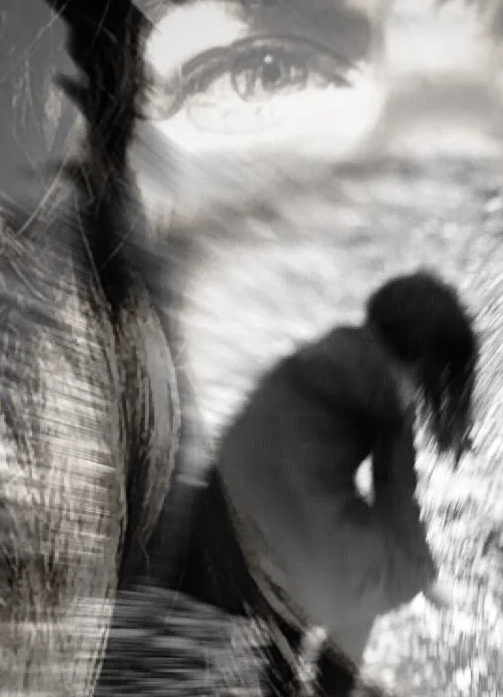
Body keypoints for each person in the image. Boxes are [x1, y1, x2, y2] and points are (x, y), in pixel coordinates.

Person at [170, 272, 479, 696]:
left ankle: (280, 677)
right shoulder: (389, 392)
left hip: (211, 523)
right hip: (265, 560)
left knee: (328, 534)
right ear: (421, 360)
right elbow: (397, 499)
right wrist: (423, 575)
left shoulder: (326, 350)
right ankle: (329, 689)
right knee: (384, 563)